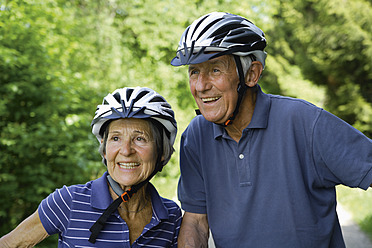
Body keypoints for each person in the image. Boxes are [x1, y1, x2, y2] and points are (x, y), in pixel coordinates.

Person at [171, 11, 372, 247]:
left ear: (252, 74)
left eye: (215, 69)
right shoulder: (195, 137)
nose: (201, 86)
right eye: (194, 72)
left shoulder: (305, 122)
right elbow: (195, 221)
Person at [0, 86, 182, 247]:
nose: (126, 151)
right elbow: (10, 244)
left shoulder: (171, 216)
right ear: (104, 150)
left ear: (162, 152)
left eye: (140, 139)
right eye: (116, 138)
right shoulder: (68, 201)